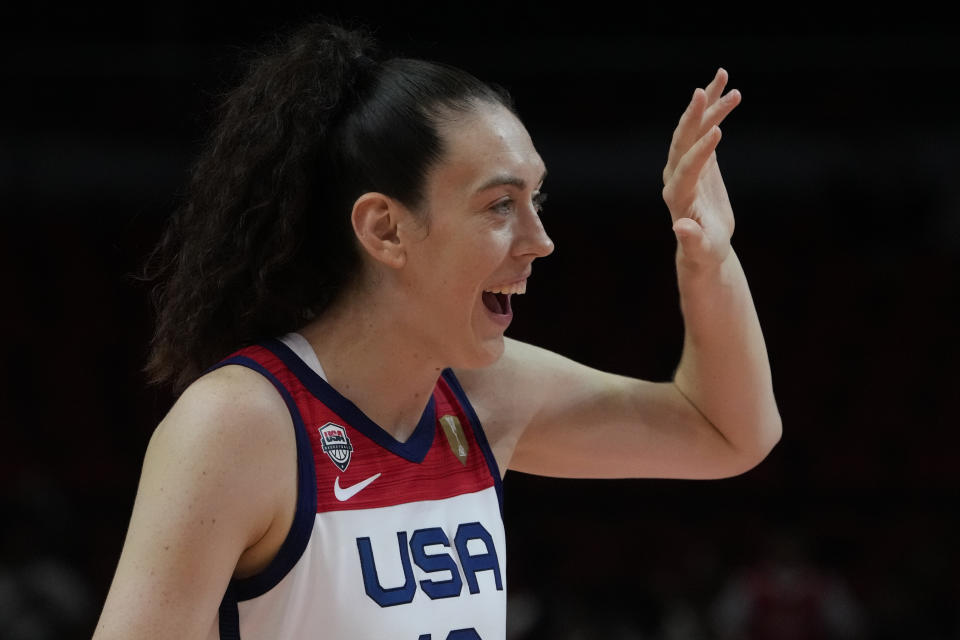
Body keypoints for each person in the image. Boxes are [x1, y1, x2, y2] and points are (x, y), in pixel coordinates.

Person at [92, 20, 781, 640]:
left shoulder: (484, 393)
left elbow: (727, 433)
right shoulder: (241, 425)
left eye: (536, 198)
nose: (540, 240)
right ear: (386, 228)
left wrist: (709, 261)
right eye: (500, 204)